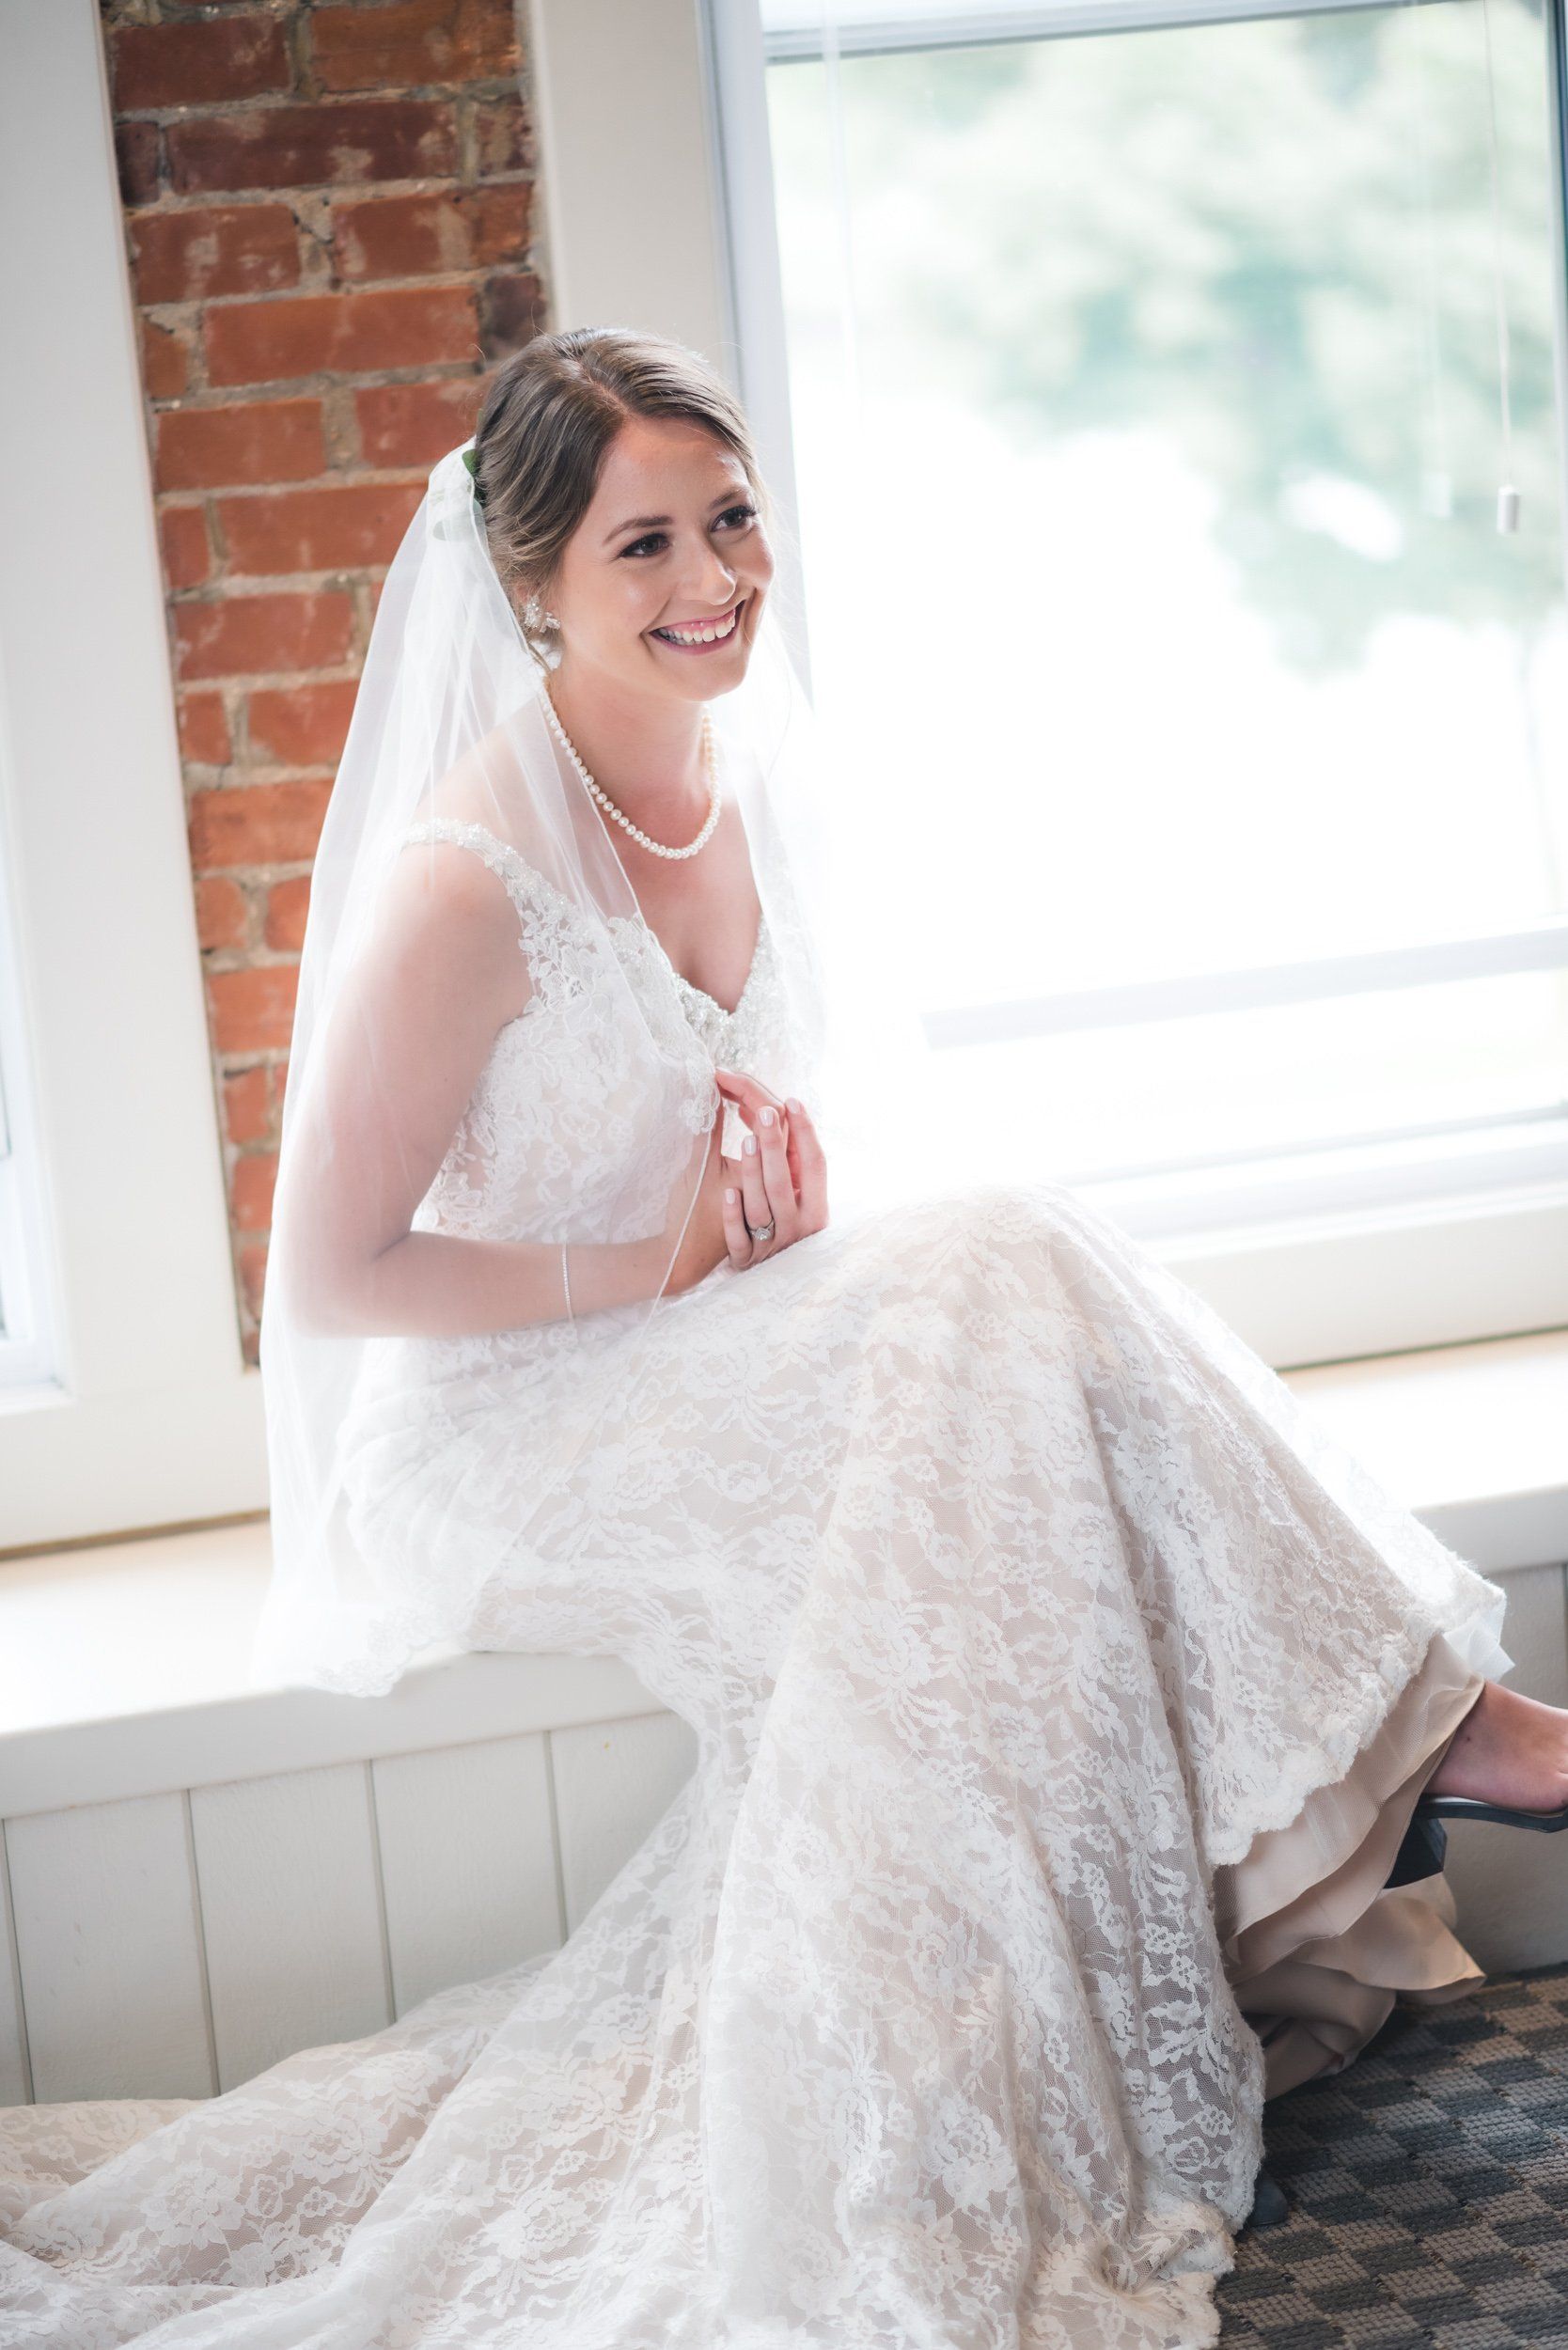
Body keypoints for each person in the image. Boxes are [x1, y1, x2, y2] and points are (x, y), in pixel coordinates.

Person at [3, 324, 1565, 2350]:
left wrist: (762, 1235)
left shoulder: (752, 782)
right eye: (642, 544)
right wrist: (650, 1270)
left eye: (730, 517)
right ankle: (1453, 1728)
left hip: (691, 1345)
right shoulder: (466, 881)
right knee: (1004, 1279)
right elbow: (329, 1273)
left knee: (1007, 1295)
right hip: (505, 1424)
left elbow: (767, 1163)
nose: (711, 576)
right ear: (535, 589)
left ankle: (1438, 1740)